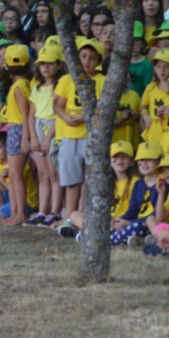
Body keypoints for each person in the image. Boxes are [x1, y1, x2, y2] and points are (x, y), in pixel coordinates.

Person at [53, 38, 107, 226]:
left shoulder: (101, 81)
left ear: (99, 61)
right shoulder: (67, 79)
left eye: (92, 58)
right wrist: (66, 117)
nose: (87, 61)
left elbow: (103, 107)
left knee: (89, 180)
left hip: (91, 136)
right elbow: (58, 105)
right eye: (83, 56)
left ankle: (83, 217)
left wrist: (85, 117)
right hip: (70, 135)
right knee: (72, 180)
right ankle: (69, 217)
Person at [26, 42, 62, 224]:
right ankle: (42, 211)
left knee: (54, 173)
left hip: (53, 129)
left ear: (58, 64)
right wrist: (33, 136)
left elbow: (58, 113)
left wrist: (48, 138)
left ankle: (55, 211)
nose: (45, 67)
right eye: (42, 63)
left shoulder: (60, 86)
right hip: (39, 127)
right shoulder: (37, 87)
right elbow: (32, 113)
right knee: (42, 174)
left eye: (50, 63)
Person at [0, 44, 34, 225]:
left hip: (18, 130)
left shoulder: (19, 87)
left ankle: (20, 213)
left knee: (16, 174)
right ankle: (14, 211)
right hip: (14, 129)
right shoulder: (22, 85)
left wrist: (25, 137)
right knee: (13, 175)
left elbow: (26, 113)